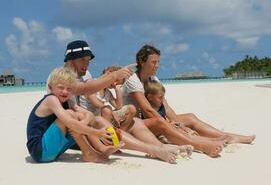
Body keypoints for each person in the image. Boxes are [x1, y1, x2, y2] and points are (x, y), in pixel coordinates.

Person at [60, 40, 193, 163]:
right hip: (74, 133)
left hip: (88, 122)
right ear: (71, 60)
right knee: (105, 125)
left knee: (135, 122)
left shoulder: (86, 74)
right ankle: (154, 150)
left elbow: (92, 89)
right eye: (83, 60)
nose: (86, 64)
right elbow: (85, 89)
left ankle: (161, 147)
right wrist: (115, 76)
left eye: (88, 60)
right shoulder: (60, 77)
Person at [122, 44, 256, 157]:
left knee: (189, 118)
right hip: (135, 124)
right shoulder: (133, 80)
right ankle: (202, 145)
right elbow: (148, 109)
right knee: (160, 122)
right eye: (153, 62)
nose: (157, 66)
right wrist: (169, 124)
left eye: (158, 62)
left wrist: (179, 124)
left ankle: (226, 136)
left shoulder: (153, 79)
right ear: (142, 61)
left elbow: (167, 108)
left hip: (150, 119)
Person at [27, 67, 122, 163]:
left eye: (69, 89)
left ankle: (101, 148)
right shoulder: (51, 100)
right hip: (40, 151)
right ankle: (89, 154)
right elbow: (71, 123)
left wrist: (83, 123)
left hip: (53, 150)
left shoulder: (68, 101)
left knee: (80, 116)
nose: (65, 91)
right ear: (50, 87)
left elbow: (89, 114)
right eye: (60, 87)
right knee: (70, 115)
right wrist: (98, 133)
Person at [85, 65, 136, 131]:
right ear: (108, 72)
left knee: (131, 109)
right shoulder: (91, 83)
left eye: (118, 83)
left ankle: (121, 133)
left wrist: (117, 89)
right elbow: (96, 103)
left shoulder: (107, 91)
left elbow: (119, 107)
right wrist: (112, 112)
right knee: (107, 110)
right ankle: (110, 136)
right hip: (90, 118)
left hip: (102, 117)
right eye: (116, 80)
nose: (115, 83)